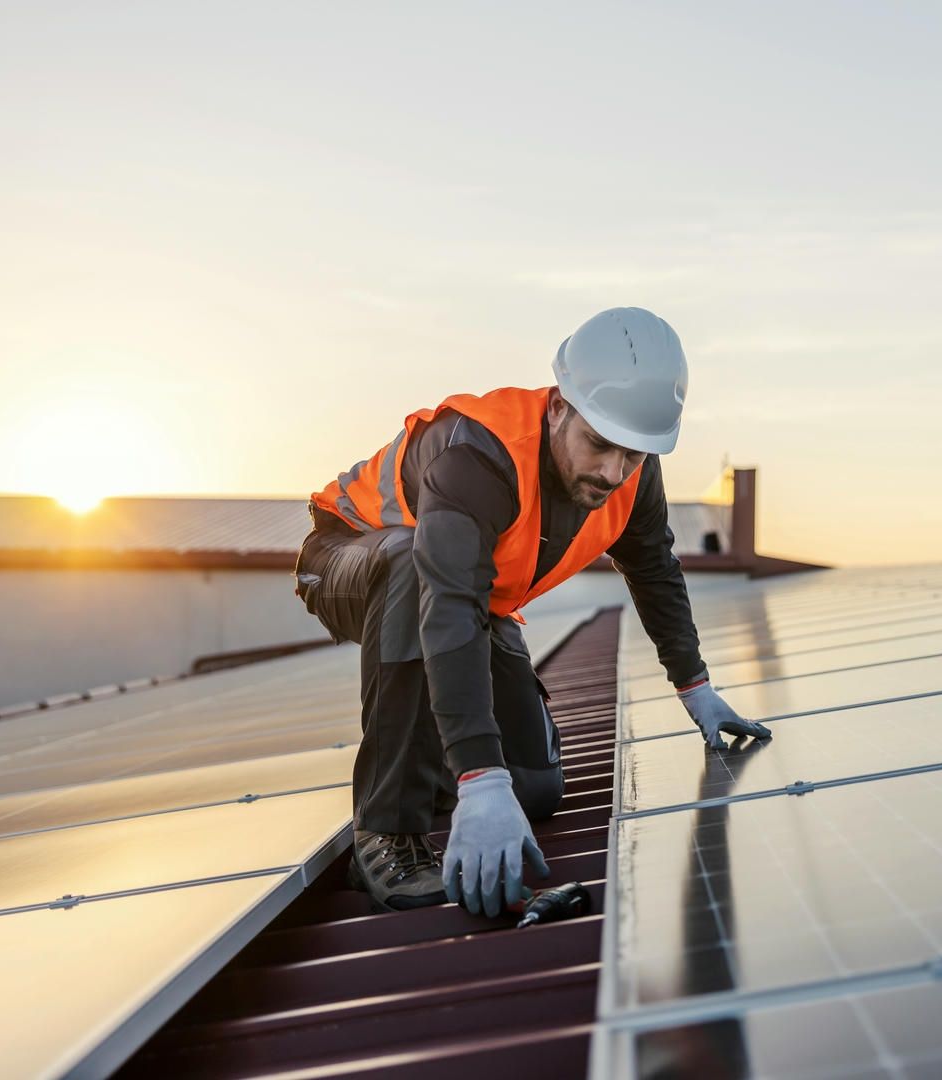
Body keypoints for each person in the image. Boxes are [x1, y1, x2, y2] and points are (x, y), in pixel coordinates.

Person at [292, 307, 772, 918]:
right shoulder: (478, 455)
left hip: (464, 594)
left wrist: (696, 688)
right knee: (415, 573)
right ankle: (387, 833)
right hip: (349, 559)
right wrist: (478, 777)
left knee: (536, 791)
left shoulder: (631, 474)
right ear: (558, 408)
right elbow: (448, 607)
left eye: (632, 455)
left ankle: (432, 759)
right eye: (599, 445)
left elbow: (654, 569)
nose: (612, 471)